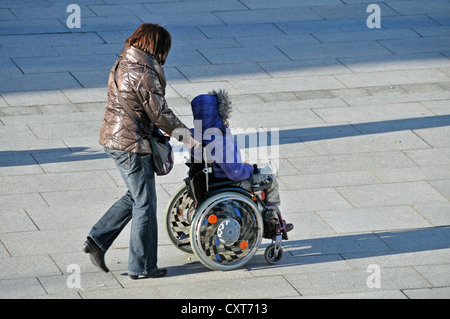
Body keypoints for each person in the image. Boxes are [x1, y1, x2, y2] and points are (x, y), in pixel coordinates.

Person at [83, 23, 198, 280]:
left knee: (136, 196)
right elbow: (159, 113)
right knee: (145, 203)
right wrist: (186, 137)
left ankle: (98, 240)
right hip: (130, 144)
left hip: (115, 138)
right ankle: (142, 267)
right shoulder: (143, 72)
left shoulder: (124, 61)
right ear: (157, 46)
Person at [190, 90, 293, 237]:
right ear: (218, 113)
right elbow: (235, 173)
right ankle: (272, 221)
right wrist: (248, 169)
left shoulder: (196, 134)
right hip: (228, 182)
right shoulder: (217, 139)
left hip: (210, 179)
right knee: (269, 180)